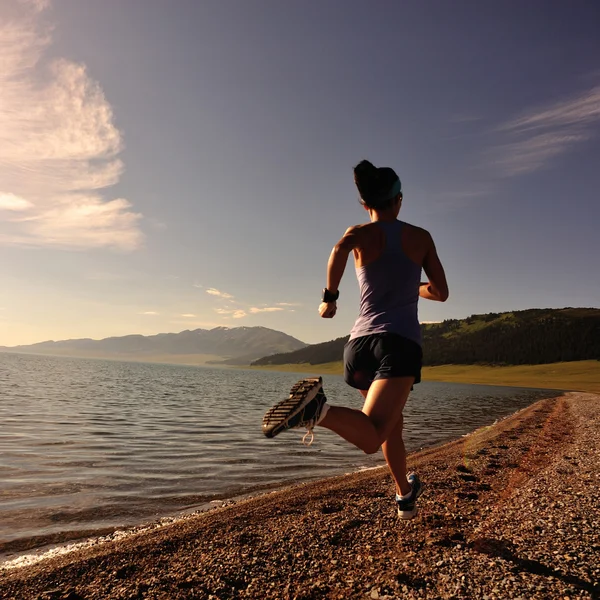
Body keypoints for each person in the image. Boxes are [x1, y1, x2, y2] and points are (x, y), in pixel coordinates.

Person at [262, 159, 449, 519]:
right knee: (372, 436)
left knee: (391, 424)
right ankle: (319, 410)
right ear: (399, 200)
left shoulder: (359, 233)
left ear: (366, 205)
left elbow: (338, 250)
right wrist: (415, 286)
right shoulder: (421, 237)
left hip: (359, 347)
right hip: (399, 344)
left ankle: (404, 494)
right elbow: (440, 292)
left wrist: (329, 298)